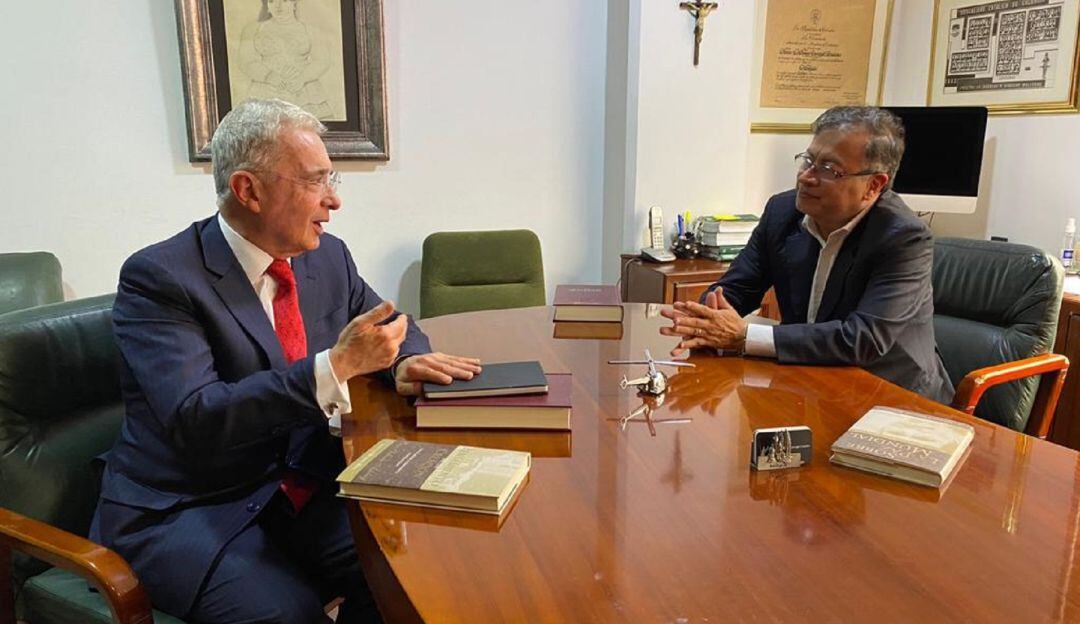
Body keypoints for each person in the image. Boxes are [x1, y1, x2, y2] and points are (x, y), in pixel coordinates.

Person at [90, 98, 480, 623]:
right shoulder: (160, 279)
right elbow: (195, 418)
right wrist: (334, 369)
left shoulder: (326, 256)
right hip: (191, 508)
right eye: (315, 181)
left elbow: (386, 323)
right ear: (248, 190)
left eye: (331, 178)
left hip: (300, 491)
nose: (334, 200)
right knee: (290, 615)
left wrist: (401, 362)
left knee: (408, 573)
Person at [660, 106, 953, 404]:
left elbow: (863, 339)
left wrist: (744, 336)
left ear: (873, 185)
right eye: (809, 161)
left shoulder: (904, 237)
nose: (806, 177)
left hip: (891, 396)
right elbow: (737, 287)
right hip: (809, 379)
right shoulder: (782, 212)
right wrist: (706, 318)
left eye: (829, 169)